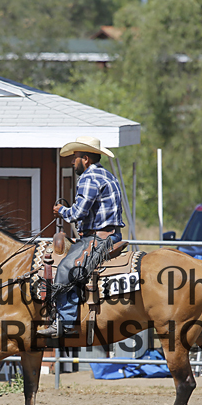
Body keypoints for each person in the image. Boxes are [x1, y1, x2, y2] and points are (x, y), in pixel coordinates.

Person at [37, 136, 125, 338]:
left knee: (66, 268)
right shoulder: (108, 175)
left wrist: (61, 211)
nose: (72, 161)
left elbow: (78, 213)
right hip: (110, 234)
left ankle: (64, 323)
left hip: (100, 239)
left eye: (75, 157)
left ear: (85, 159)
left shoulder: (89, 177)